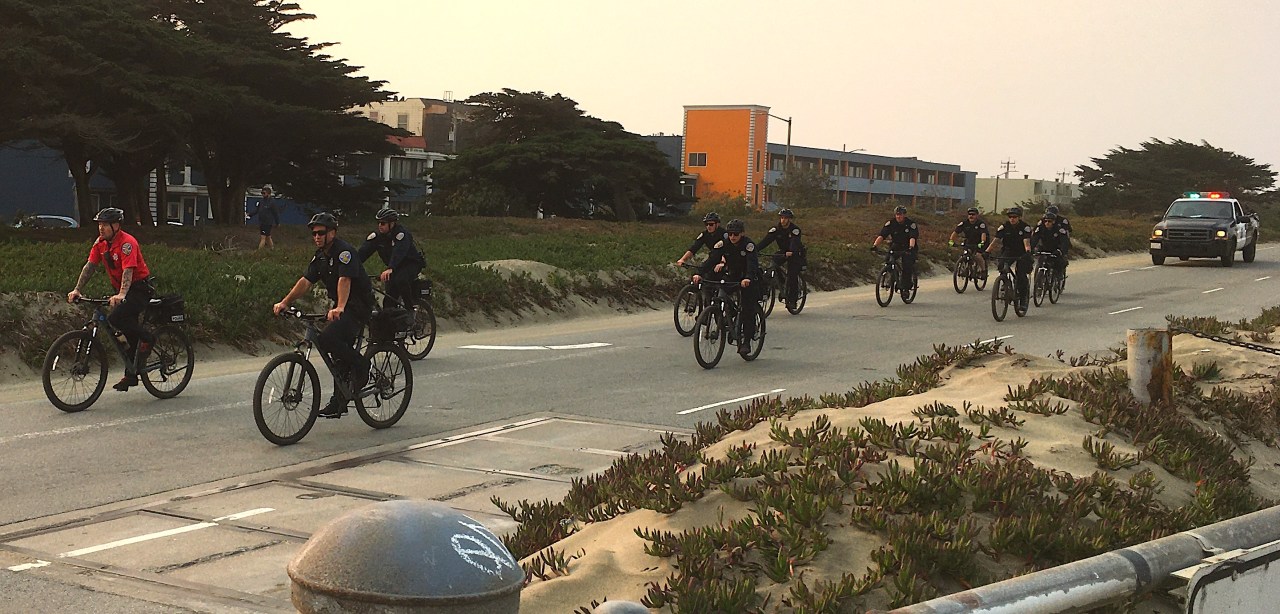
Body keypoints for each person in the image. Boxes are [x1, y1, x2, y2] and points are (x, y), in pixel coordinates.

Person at [273, 212, 375, 417]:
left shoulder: (344, 252)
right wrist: (285, 302)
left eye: (321, 233)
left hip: (357, 307)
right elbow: (305, 282)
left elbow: (344, 280)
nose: (317, 237)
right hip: (341, 306)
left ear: (333, 233)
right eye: (314, 234)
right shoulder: (320, 257)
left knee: (328, 339)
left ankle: (362, 366)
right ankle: (339, 401)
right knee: (335, 350)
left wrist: (340, 307)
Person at [67, 207, 156, 391]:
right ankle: (131, 375)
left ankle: (148, 339)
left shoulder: (127, 243)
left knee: (116, 318)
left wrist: (122, 294)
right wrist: (77, 290)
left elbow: (128, 270)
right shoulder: (100, 244)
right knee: (128, 334)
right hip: (121, 290)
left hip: (138, 289)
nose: (101, 228)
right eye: (99, 224)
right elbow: (90, 266)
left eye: (105, 225)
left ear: (116, 226)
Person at [692, 219, 762, 357]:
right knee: (720, 293)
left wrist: (748, 277)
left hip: (748, 279)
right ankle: (725, 314)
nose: (732, 237)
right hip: (732, 276)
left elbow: (752, 264)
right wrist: (699, 273)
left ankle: (746, 341)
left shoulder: (748, 245)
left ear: (742, 233)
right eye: (730, 234)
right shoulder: (723, 244)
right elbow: (712, 259)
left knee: (747, 309)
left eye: (735, 234)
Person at [357, 207, 426, 309]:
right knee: (389, 301)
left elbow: (399, 251)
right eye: (379, 223)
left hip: (411, 264)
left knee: (401, 279)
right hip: (394, 267)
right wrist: (352, 265)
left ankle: (410, 308)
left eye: (383, 223)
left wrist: (391, 267)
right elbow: (363, 252)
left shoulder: (401, 234)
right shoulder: (377, 237)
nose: (380, 226)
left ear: (392, 223)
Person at [755, 208, 805, 309]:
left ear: (789, 219)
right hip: (782, 252)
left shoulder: (795, 230)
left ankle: (792, 300)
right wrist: (754, 250)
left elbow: (794, 242)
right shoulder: (776, 229)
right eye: (782, 218)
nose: (783, 220)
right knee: (771, 267)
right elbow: (766, 241)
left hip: (795, 253)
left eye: (786, 218)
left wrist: (791, 251)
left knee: (792, 275)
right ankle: (778, 285)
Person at [986, 207, 1034, 310]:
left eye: (1014, 217)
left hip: (1022, 252)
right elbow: (996, 240)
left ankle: (1023, 299)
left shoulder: (1025, 227)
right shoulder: (1004, 227)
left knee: (1021, 274)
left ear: (1019, 217)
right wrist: (987, 251)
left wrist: (1028, 252)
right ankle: (1004, 282)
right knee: (1002, 265)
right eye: (1010, 217)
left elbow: (1027, 241)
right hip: (1009, 250)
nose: (1012, 219)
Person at [871, 206, 919, 300]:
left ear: (904, 215)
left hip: (908, 246)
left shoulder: (911, 224)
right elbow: (882, 235)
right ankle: (891, 275)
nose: (898, 216)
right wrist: (875, 245)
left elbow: (912, 237)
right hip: (896, 245)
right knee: (888, 260)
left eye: (900, 215)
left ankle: (905, 288)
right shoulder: (891, 223)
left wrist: (910, 247)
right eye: (897, 215)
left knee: (907, 264)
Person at [948, 207, 989, 279]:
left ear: (977, 215)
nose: (971, 216)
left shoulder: (981, 224)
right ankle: (967, 267)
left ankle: (983, 271)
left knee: (978, 256)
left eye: (973, 214)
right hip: (970, 241)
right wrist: (951, 241)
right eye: (969, 214)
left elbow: (983, 234)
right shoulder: (964, 223)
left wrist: (982, 242)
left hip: (982, 241)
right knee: (966, 253)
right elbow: (955, 232)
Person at [1031, 212, 1070, 280]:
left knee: (1059, 262)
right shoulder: (1041, 229)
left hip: (1056, 249)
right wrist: (1031, 249)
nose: (1047, 223)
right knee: (1040, 261)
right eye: (1045, 221)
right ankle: (1039, 280)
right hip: (1044, 248)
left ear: (1054, 221)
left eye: (1049, 221)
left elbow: (1065, 242)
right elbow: (1034, 239)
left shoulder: (1059, 229)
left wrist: (1060, 251)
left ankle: (1058, 275)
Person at [252, 184, 281, 250]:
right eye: (262, 193)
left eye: (264, 193)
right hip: (261, 222)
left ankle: (259, 251)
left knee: (263, 237)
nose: (262, 194)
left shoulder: (272, 202)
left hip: (267, 222)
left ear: (269, 193)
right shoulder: (261, 201)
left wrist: (277, 222)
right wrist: (250, 214)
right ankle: (272, 249)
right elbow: (257, 210)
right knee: (268, 237)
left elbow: (275, 213)